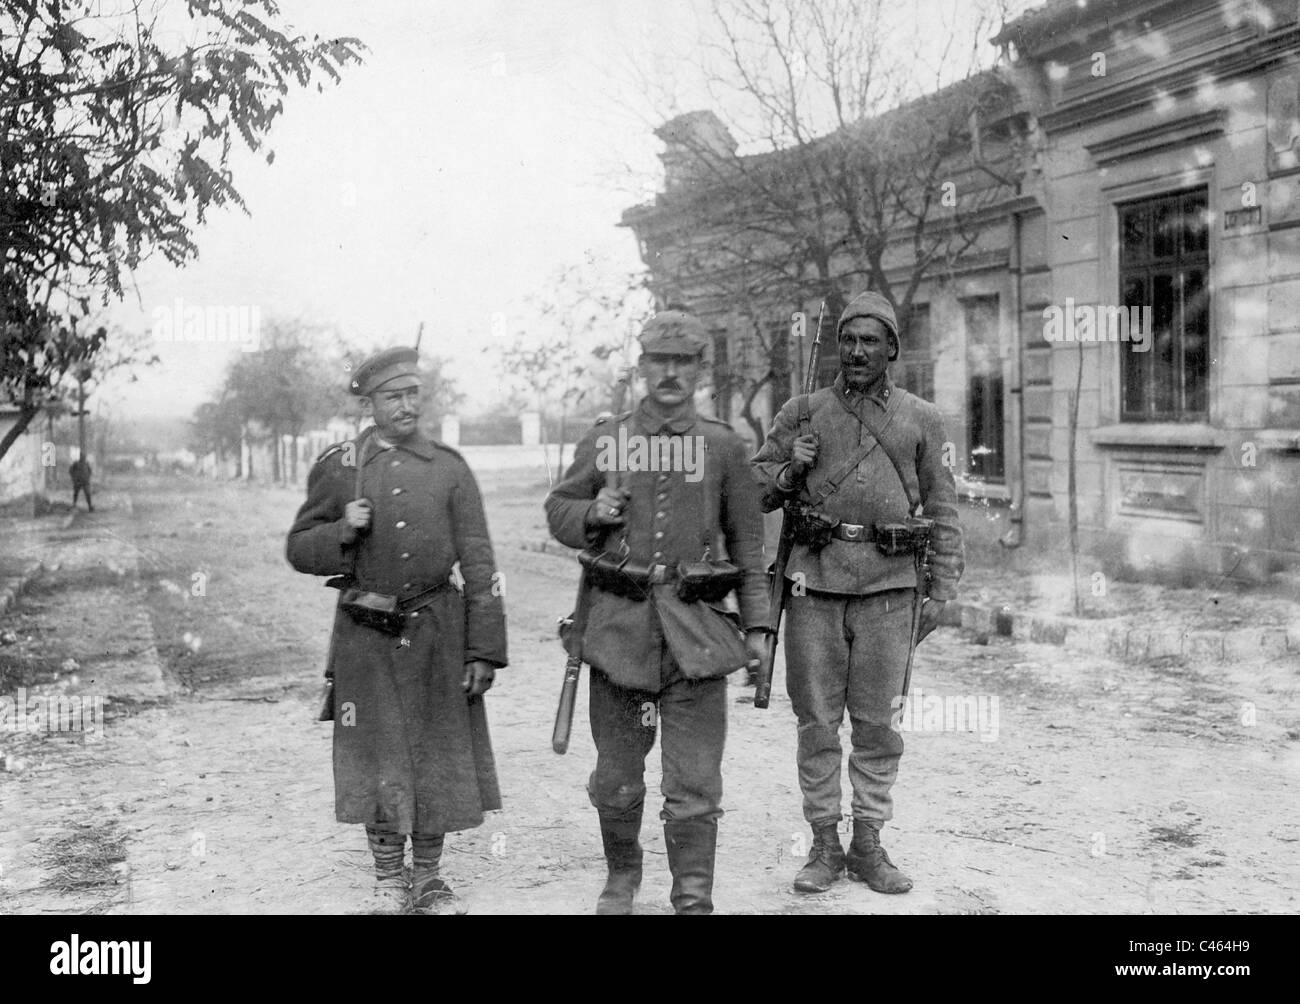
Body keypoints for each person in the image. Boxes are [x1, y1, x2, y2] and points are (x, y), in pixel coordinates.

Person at [544, 311, 768, 915]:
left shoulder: (723, 445)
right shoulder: (607, 438)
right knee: (616, 780)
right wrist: (593, 512)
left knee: (694, 784)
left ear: (699, 369)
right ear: (641, 367)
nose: (670, 373)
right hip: (619, 636)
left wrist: (760, 628)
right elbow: (558, 508)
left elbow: (748, 546)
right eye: (658, 361)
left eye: (684, 362)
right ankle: (622, 878)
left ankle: (692, 897)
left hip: (696, 636)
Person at [752, 291, 964, 896]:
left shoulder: (921, 417)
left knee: (878, 723)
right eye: (848, 339)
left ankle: (868, 840)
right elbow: (756, 489)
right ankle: (823, 842)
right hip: (814, 585)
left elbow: (943, 506)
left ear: (892, 349)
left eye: (871, 341)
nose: (857, 351)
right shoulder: (802, 411)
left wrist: (943, 587)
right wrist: (791, 466)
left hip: (890, 589)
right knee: (816, 721)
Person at [286, 346, 507, 914]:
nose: (406, 405)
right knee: (377, 748)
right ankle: (387, 876)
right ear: (370, 403)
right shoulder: (340, 467)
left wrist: (484, 648)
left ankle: (429, 877)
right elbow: (299, 550)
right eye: (392, 396)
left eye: (413, 394)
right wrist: (341, 527)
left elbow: (480, 563)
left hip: (439, 630)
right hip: (366, 634)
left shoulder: (449, 467)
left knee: (436, 749)